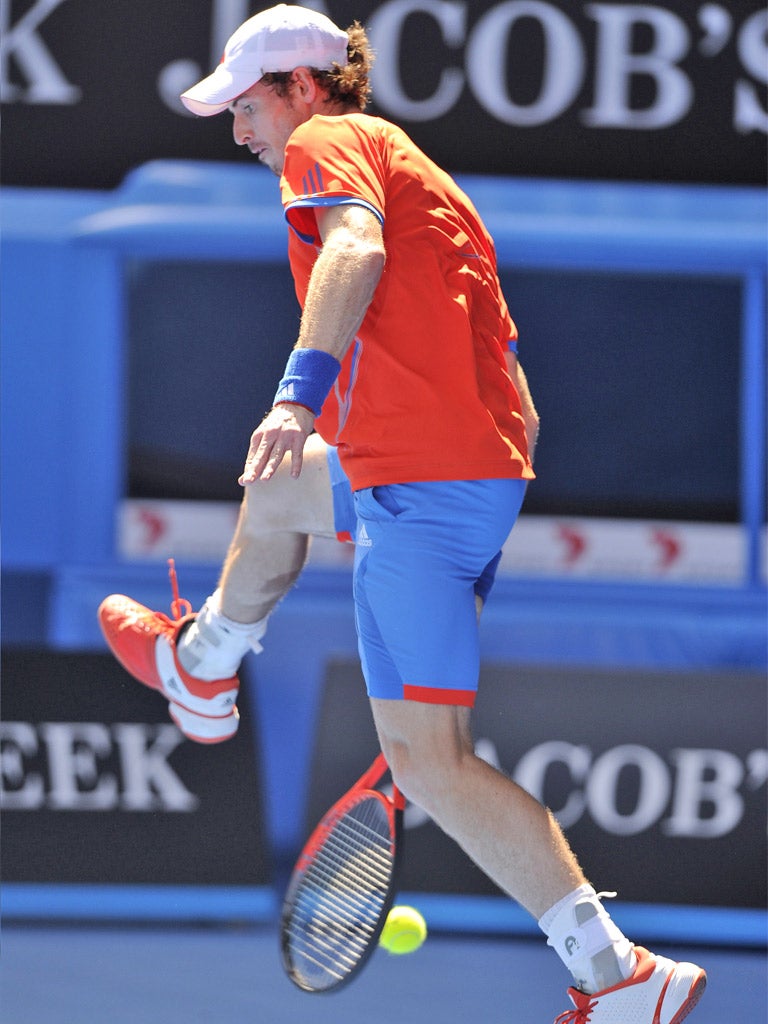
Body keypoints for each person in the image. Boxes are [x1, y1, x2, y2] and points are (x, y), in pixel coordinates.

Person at [98, 7, 706, 1022]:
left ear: (298, 88)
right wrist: (478, 527)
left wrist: (299, 395)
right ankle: (204, 662)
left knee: (433, 765)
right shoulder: (426, 173)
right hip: (457, 472)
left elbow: (353, 250)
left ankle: (618, 976)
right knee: (283, 489)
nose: (239, 131)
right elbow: (523, 397)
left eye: (246, 107)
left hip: (421, 487)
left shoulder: (329, 143)